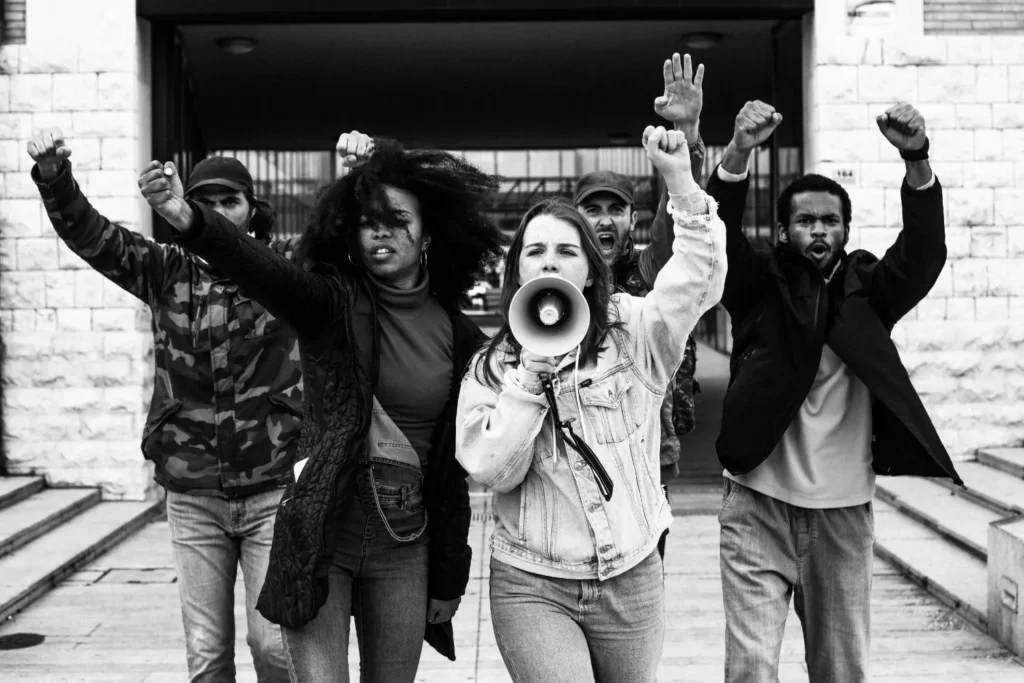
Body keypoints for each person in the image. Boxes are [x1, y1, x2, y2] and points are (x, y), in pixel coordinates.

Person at [138, 131, 505, 682]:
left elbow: (451, 472)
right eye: (366, 219)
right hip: (320, 539)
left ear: (428, 233)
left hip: (405, 545)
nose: (380, 230)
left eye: (398, 219)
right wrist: (186, 217)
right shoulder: (328, 302)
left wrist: (450, 576)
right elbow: (256, 263)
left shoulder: (460, 337)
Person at [27, 129, 300, 683]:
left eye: (231, 201)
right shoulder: (164, 270)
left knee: (273, 644)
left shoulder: (285, 270)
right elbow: (92, 235)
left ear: (253, 211)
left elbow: (343, 239)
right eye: (206, 202)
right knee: (206, 654)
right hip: (193, 490)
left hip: (274, 487)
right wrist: (56, 177)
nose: (218, 212)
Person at [457, 125, 727, 683]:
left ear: (589, 266)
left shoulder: (634, 330)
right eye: (535, 251)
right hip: (532, 582)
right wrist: (528, 379)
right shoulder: (493, 367)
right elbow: (491, 470)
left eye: (566, 250)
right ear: (518, 271)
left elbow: (699, 281)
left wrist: (679, 179)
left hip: (631, 576)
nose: (550, 262)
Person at [706, 101, 964, 682]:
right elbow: (716, 239)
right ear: (783, 231)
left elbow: (924, 253)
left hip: (842, 516)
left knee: (840, 671)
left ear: (845, 231)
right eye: (804, 221)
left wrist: (916, 158)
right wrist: (739, 152)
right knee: (749, 668)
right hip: (756, 506)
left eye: (829, 221)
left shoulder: (869, 292)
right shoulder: (757, 287)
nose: (818, 230)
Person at [574, 52, 707, 558]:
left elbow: (682, 222)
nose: (604, 221)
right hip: (578, 456)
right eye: (593, 209)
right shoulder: (556, 284)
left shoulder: (650, 271)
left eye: (616, 210)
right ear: (575, 215)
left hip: (648, 458)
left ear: (633, 218)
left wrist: (687, 135)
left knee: (643, 581)